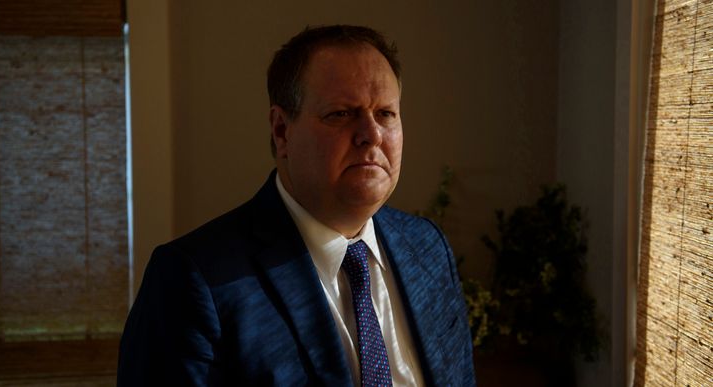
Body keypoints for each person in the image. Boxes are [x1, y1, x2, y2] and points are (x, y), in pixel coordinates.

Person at [117, 25, 476, 386]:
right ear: (281, 131)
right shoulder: (195, 280)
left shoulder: (428, 248)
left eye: (385, 113)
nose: (371, 134)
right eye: (341, 113)